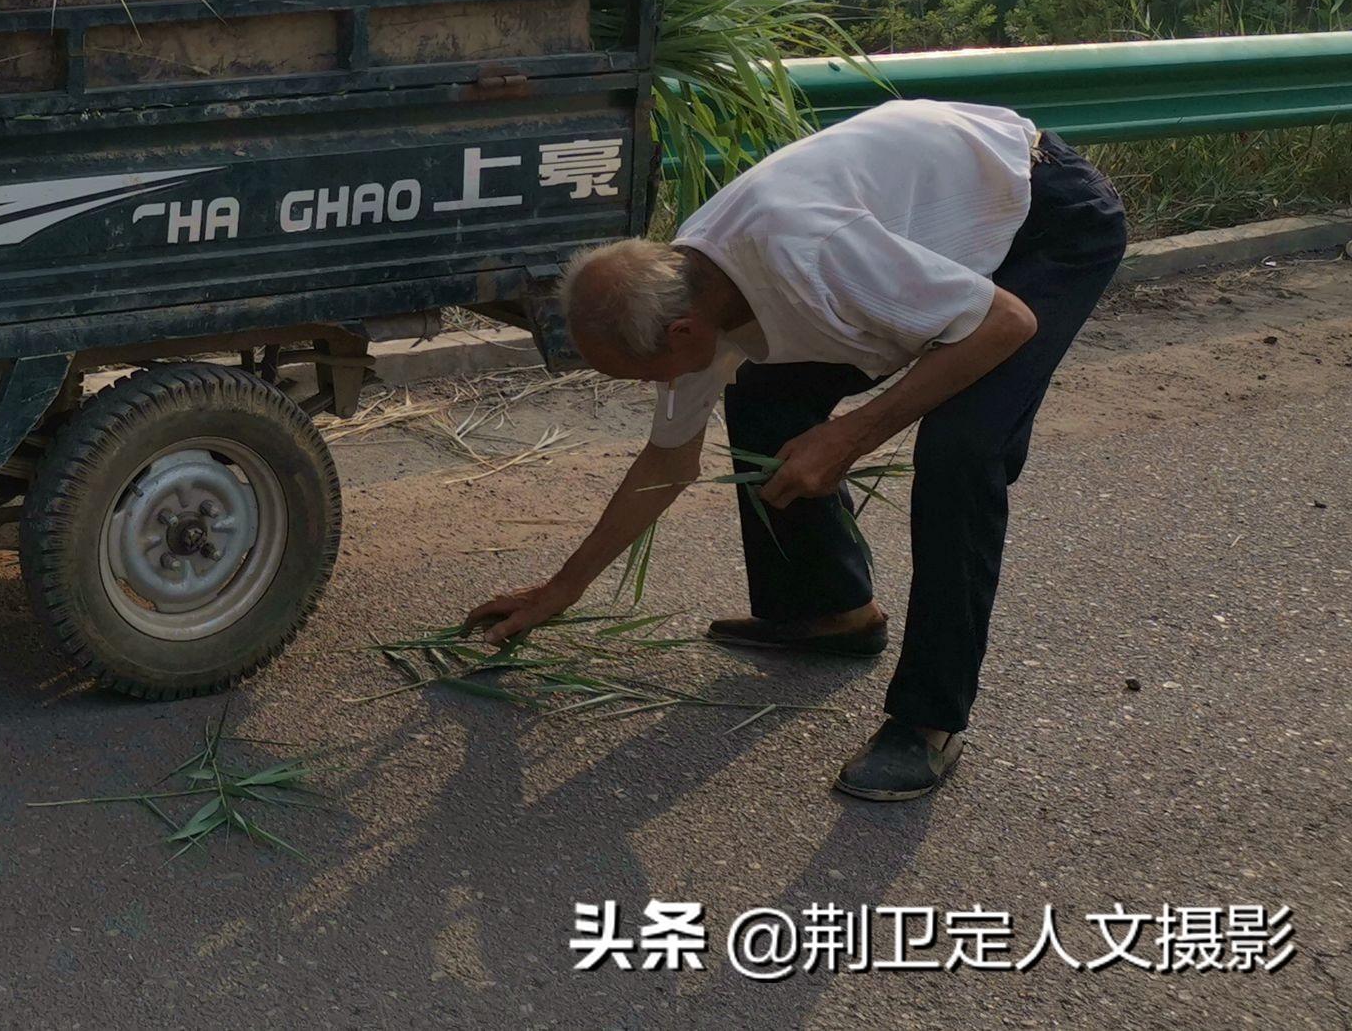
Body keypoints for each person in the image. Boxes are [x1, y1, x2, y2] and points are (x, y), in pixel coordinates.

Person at [463, 99, 1126, 800]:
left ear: (684, 335)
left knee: (961, 450)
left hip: (1040, 222)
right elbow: (668, 461)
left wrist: (850, 434)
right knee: (762, 394)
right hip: (923, 243)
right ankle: (833, 611)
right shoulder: (693, 282)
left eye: (643, 374)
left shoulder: (811, 253)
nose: (651, 387)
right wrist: (562, 587)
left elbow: (1004, 321)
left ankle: (928, 722)